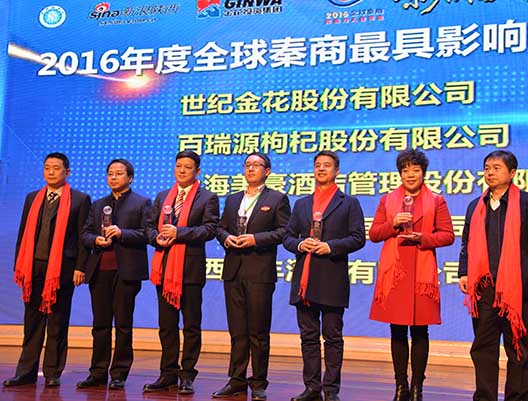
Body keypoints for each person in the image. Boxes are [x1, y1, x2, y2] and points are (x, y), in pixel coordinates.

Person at [458, 150, 528, 401]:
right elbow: (466, 244)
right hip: (484, 288)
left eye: (496, 168)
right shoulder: (475, 206)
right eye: (487, 168)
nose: (490, 172)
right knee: (483, 348)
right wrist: (464, 272)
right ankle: (485, 397)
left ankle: (518, 397)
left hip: (518, 286)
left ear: (512, 173)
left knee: (517, 348)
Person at [369, 150, 455, 401]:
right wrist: (393, 223)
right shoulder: (387, 200)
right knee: (397, 330)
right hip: (395, 273)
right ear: (400, 174)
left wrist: (424, 238)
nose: (410, 174)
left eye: (415, 170)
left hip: (421, 272)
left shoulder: (436, 200)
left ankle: (417, 386)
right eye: (405, 170)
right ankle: (400, 386)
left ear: (423, 173)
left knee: (420, 332)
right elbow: (374, 234)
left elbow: (448, 235)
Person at [283, 151, 366, 401]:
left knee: (332, 337)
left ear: (336, 171)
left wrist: (330, 246)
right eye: (317, 165)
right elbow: (287, 237)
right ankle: (312, 388)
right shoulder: (302, 204)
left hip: (332, 277)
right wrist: (301, 244)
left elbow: (358, 238)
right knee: (308, 337)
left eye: (326, 165)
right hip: (305, 279)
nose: (321, 169)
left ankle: (331, 390)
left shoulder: (348, 203)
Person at [4, 152, 91, 388]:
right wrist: (19, 265)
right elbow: (23, 233)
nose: (51, 172)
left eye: (56, 168)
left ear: (67, 172)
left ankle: (53, 372)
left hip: (63, 269)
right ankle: (26, 372)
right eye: (47, 167)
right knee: (32, 322)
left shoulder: (80, 199)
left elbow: (83, 237)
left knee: (57, 322)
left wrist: (80, 267)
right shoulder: (33, 198)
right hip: (33, 268)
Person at [212, 152, 291, 401]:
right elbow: (220, 227)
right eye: (247, 165)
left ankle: (258, 382)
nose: (251, 169)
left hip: (259, 272)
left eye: (256, 165)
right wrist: (226, 238)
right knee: (237, 331)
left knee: (258, 331)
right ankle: (236, 380)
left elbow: (284, 232)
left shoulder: (277, 198)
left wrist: (255, 239)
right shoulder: (233, 199)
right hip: (233, 269)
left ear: (267, 171)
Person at [143, 150, 219, 395]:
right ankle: (167, 373)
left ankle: (187, 375)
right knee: (166, 325)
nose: (182, 170)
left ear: (197, 171)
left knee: (191, 325)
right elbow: (148, 227)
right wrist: (156, 238)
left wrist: (179, 233)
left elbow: (210, 229)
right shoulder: (163, 196)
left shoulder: (207, 197)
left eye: (187, 166)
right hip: (164, 268)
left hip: (190, 270)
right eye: (178, 166)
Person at [76, 159, 151, 390]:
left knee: (123, 325)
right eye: (110, 173)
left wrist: (122, 233)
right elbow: (84, 234)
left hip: (126, 272)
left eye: (119, 173)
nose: (114, 177)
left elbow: (147, 234)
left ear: (130, 177)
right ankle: (97, 373)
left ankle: (119, 373)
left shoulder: (142, 203)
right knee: (100, 325)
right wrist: (96, 240)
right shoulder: (98, 204)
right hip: (100, 271)